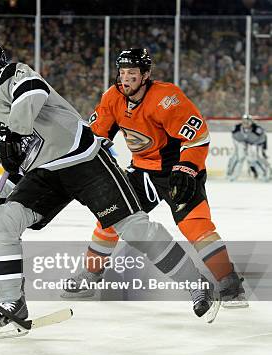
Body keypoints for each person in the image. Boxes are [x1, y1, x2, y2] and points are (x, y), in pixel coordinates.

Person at [0, 41, 219, 339]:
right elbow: (20, 164)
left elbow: (32, 93)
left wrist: (12, 134)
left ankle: (195, 283)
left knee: (133, 229)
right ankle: (12, 306)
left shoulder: (18, 75)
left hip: (84, 159)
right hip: (46, 172)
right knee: (2, 220)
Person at [63, 48, 247, 308]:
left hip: (178, 172)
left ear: (146, 75)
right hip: (141, 172)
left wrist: (187, 168)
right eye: (122, 72)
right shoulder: (112, 97)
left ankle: (229, 282)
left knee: (196, 225)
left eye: (132, 74)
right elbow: (96, 136)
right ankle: (92, 273)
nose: (125, 79)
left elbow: (198, 136)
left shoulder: (167, 98)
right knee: (110, 216)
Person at [227, 114, 269, 182]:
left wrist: (257, 145)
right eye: (244, 121)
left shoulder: (257, 129)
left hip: (255, 144)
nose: (246, 123)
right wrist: (240, 144)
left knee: (254, 159)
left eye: (248, 121)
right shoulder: (236, 128)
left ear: (251, 122)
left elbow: (263, 138)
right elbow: (234, 137)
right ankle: (231, 175)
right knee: (239, 158)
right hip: (241, 143)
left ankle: (264, 175)